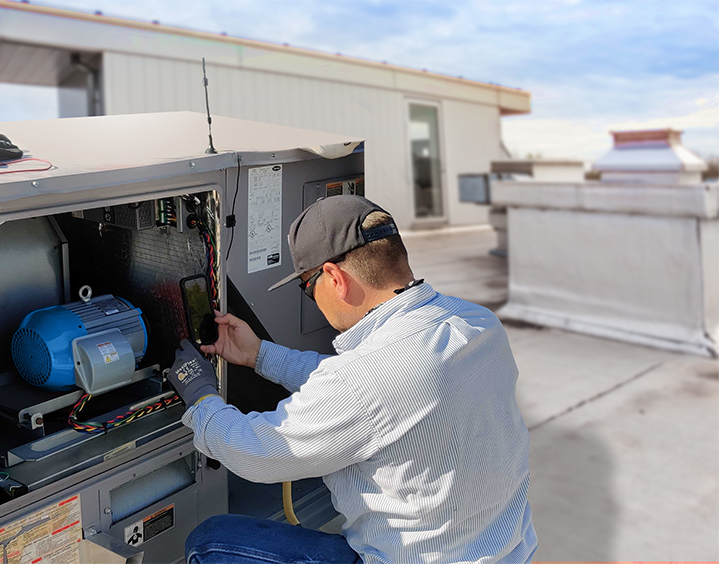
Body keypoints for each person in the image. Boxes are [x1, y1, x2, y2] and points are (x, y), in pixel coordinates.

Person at [165, 196, 538, 563]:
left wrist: (202, 399)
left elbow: (257, 453)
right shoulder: (477, 323)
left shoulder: (365, 380)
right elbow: (381, 392)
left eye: (306, 288)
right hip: (508, 552)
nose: (313, 300)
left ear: (334, 278)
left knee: (210, 541)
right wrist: (260, 355)